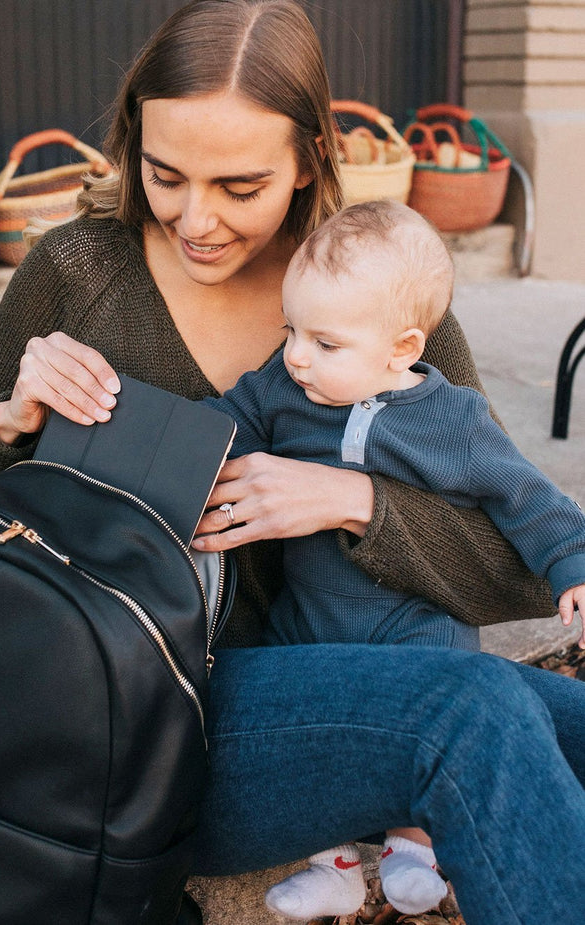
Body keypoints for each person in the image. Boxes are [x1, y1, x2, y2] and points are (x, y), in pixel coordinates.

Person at [0, 2, 585, 923]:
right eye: (165, 175)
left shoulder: (375, 296)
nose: (197, 218)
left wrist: (353, 502)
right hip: (138, 717)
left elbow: (514, 563)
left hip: (339, 683)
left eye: (240, 186)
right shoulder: (79, 271)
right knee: (472, 710)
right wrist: (7, 415)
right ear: (132, 140)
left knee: (524, 715)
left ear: (309, 160)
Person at [199, 198, 585, 918]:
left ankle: (416, 847)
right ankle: (337, 862)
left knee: (467, 692)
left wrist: (574, 562)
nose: (297, 355)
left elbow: (526, 499)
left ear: (403, 348)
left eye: (326, 343)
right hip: (306, 627)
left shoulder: (453, 420)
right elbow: (225, 421)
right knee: (360, 711)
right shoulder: (288, 389)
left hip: (415, 628)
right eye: (291, 331)